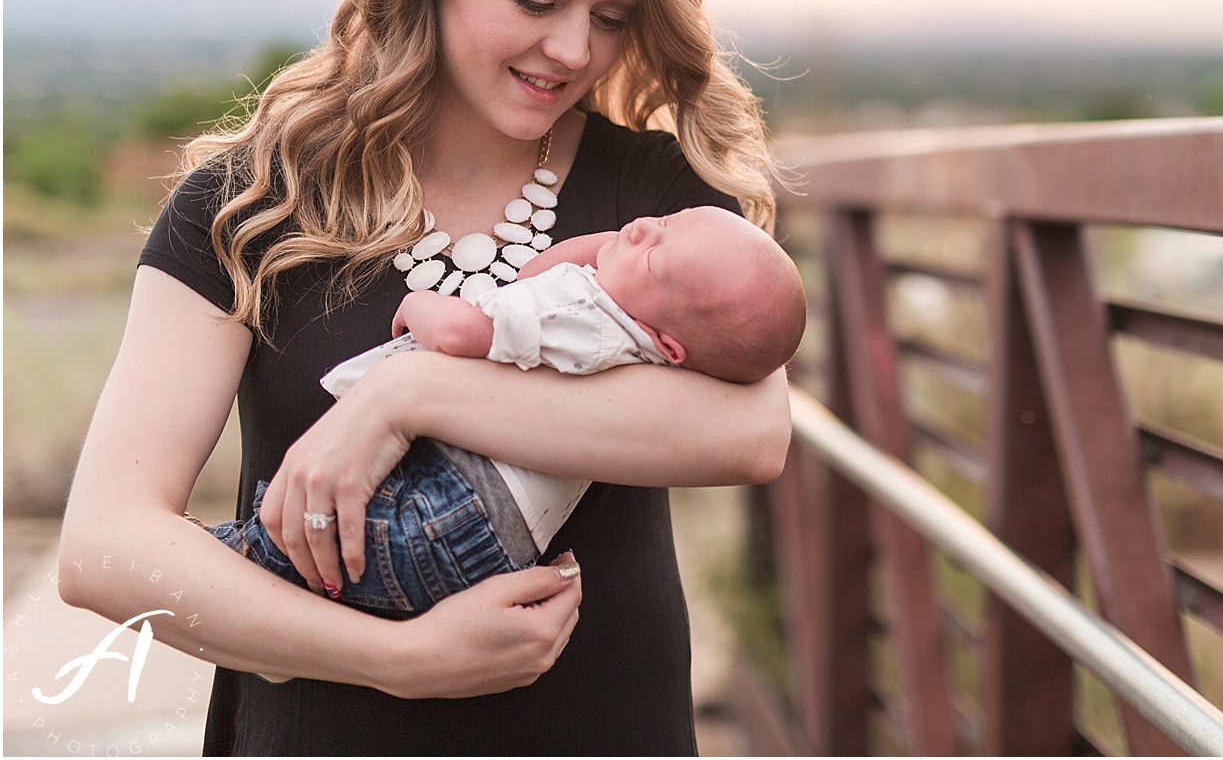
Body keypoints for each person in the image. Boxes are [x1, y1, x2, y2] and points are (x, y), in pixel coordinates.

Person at [57, 0, 794, 756]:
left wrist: (407, 394)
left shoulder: (659, 204)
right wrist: (396, 657)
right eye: (534, 1)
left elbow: (748, 433)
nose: (573, 50)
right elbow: (103, 547)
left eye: (611, 17)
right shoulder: (247, 205)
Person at [208, 207, 806, 617]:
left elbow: (469, 329)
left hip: (457, 509)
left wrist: (418, 307)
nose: (643, 229)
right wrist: (625, 254)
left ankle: (253, 564)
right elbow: (533, 278)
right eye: (663, 224)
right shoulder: (648, 341)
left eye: (654, 256)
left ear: (670, 342)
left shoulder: (583, 308)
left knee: (352, 536)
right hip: (500, 539)